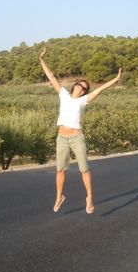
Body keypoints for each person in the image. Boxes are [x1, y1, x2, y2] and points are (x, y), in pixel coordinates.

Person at [39, 47, 122, 214]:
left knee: (84, 169)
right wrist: (41, 59)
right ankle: (59, 196)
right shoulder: (63, 94)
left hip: (76, 138)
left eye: (85, 88)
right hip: (61, 138)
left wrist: (117, 78)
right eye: (80, 86)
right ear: (75, 86)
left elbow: (101, 89)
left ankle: (89, 197)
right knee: (60, 170)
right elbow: (51, 77)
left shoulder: (84, 101)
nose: (82, 89)